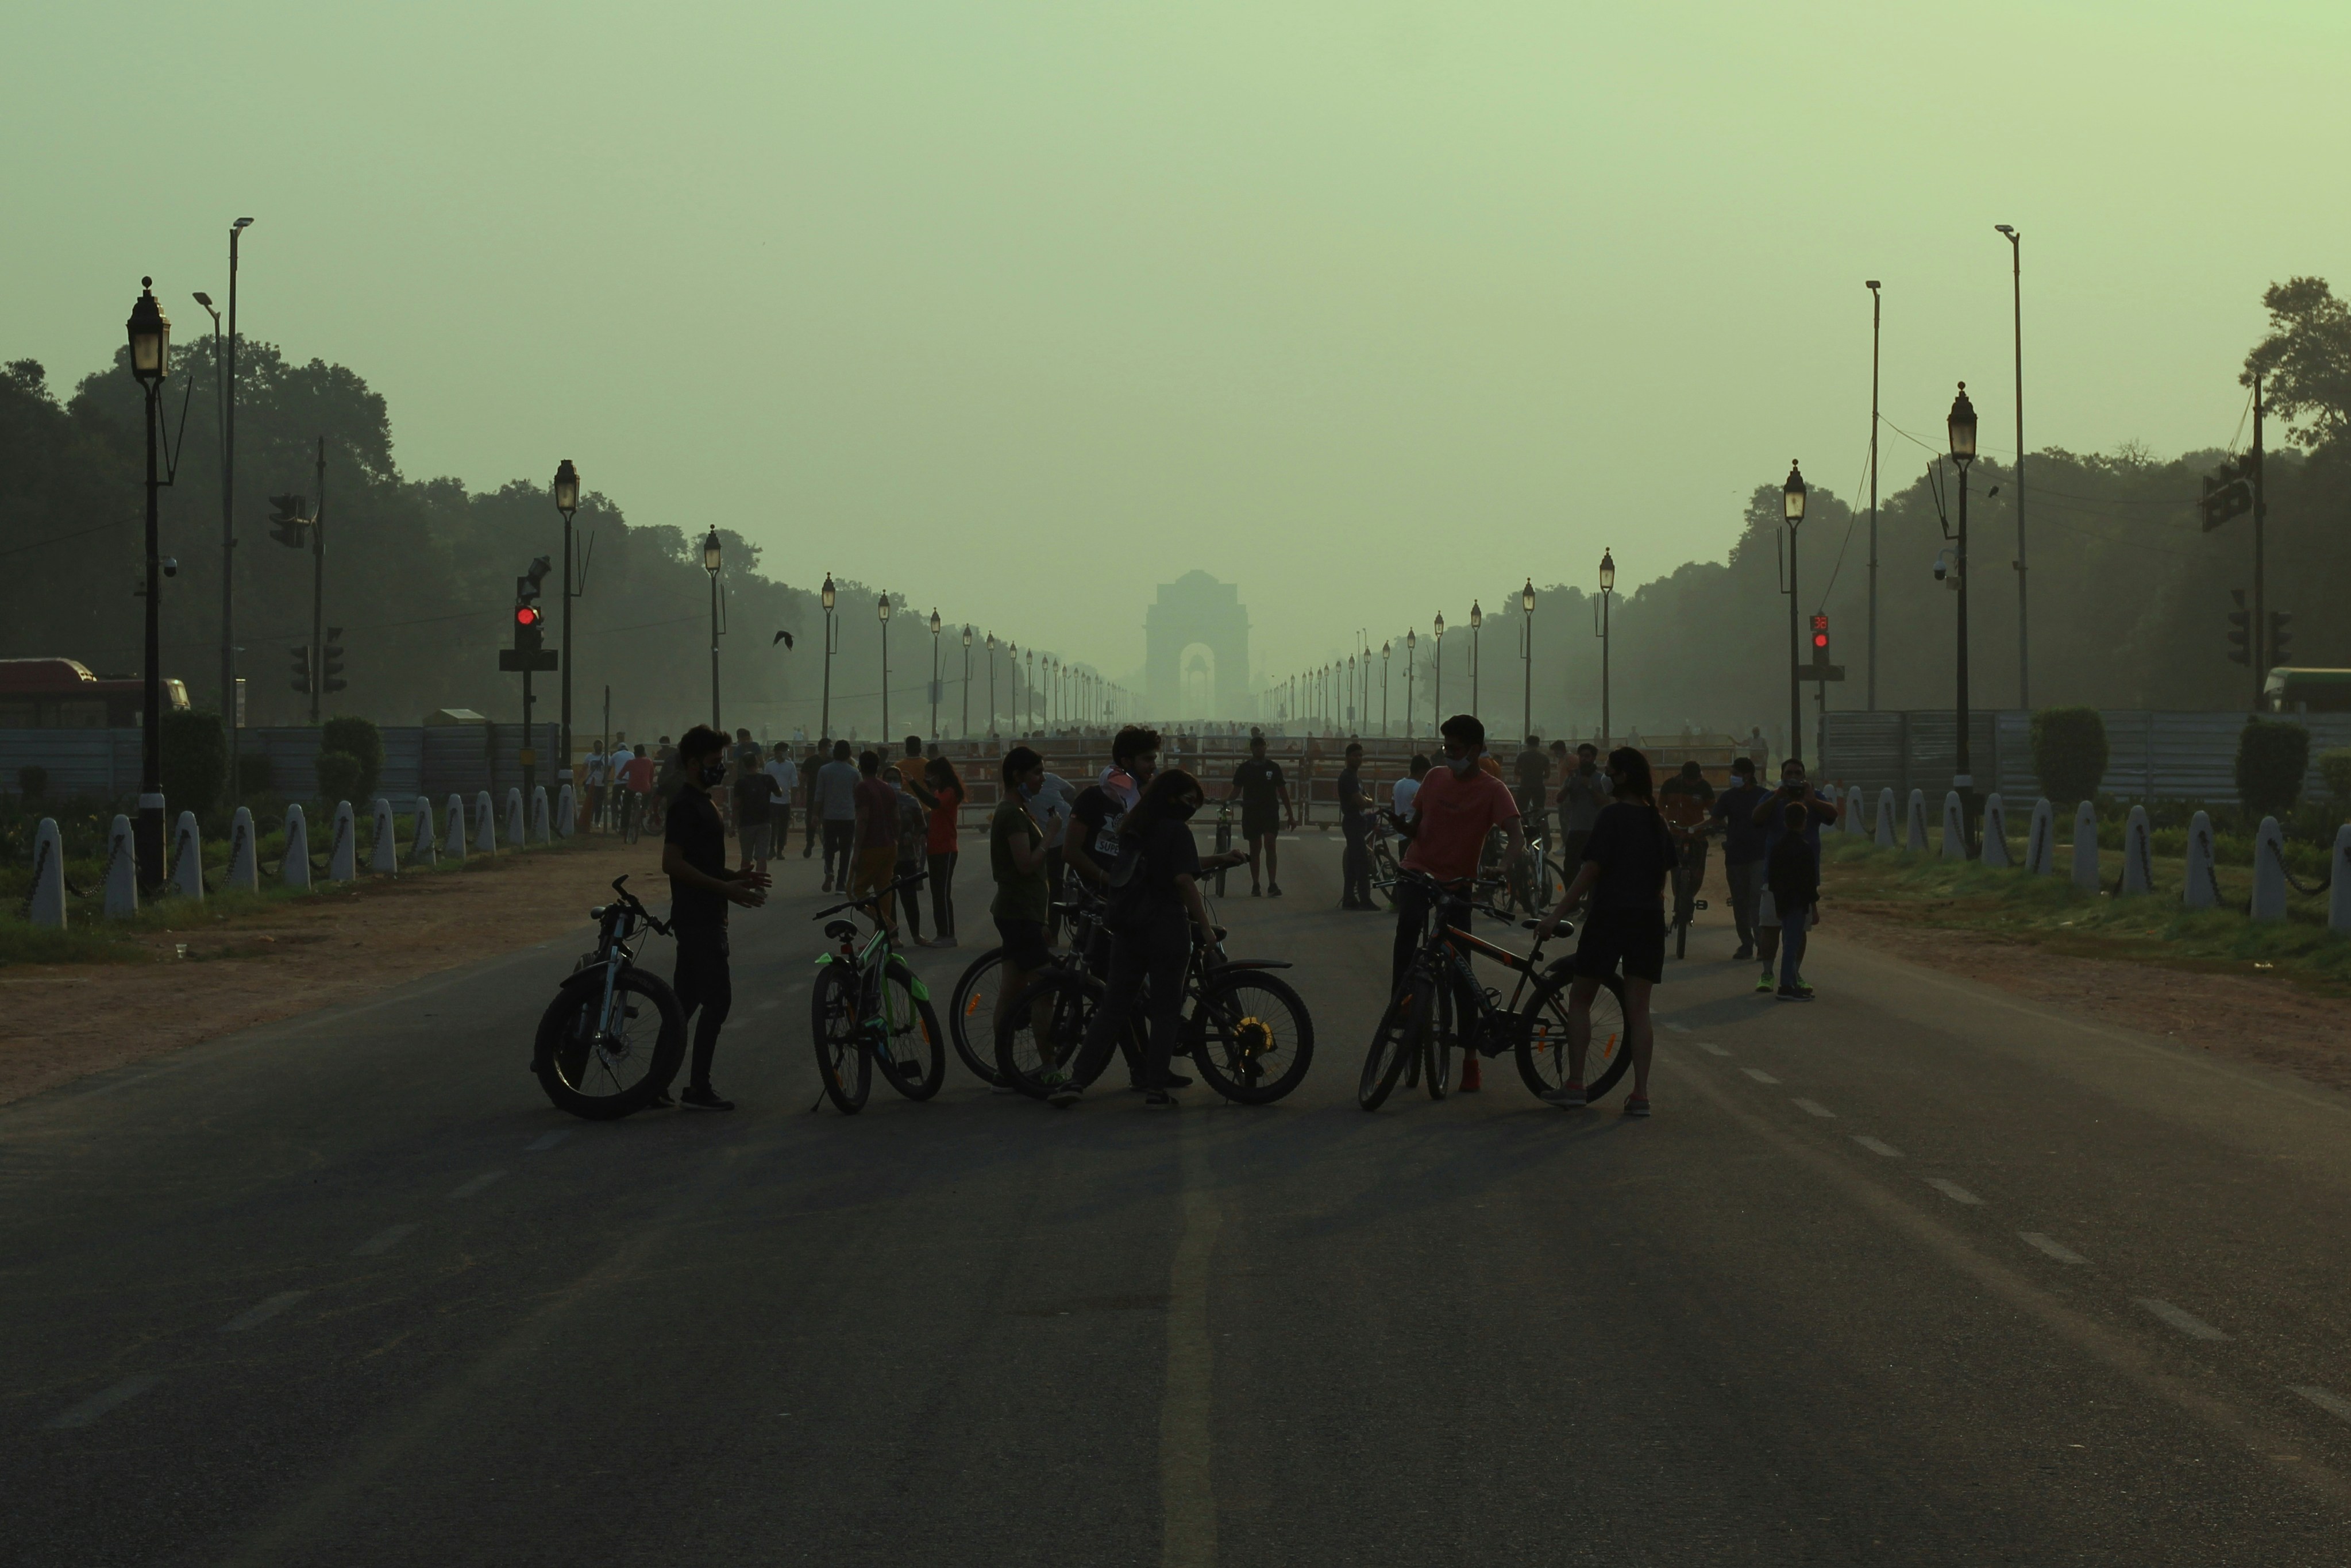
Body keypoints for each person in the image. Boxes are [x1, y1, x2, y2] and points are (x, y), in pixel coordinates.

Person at [1052, 769, 1235, 1110]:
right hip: (1167, 927)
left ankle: (1077, 1081)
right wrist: (1207, 929)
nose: (1192, 806)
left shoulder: (1133, 828)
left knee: (1113, 1008)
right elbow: (1183, 879)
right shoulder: (1176, 830)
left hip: (1128, 928)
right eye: (1189, 800)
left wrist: (1220, 860)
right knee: (1166, 1011)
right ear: (1172, 798)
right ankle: (1155, 1089)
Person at [1533, 746, 1675, 1117]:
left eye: (1610, 771)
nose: (1605, 776)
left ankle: (1577, 1083)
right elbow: (1665, 875)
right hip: (1648, 920)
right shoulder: (1656, 821)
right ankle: (1641, 1094)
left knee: (1580, 999)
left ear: (1623, 777)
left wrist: (1555, 915)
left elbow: (1589, 872)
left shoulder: (1611, 817)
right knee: (1639, 1009)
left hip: (1610, 916)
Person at [1390, 714, 1524, 1093]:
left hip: (1459, 883)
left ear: (1478, 750)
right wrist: (1402, 828)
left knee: (1461, 968)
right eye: (1446, 748)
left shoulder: (1494, 790)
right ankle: (1400, 1004)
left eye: (1457, 750)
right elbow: (1417, 825)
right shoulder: (1433, 778)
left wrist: (1502, 865)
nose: (1450, 756)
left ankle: (1469, 1057)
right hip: (1419, 871)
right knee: (1407, 930)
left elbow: (1516, 835)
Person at [660, 725, 769, 1112]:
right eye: (712, 762)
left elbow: (701, 864)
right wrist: (725, 889)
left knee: (683, 1004)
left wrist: (734, 877)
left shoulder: (704, 803)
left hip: (702, 913)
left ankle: (657, 1085)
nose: (719, 768)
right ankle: (698, 1086)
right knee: (717, 1001)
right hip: (699, 917)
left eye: (720, 762)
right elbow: (672, 863)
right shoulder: (686, 806)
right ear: (691, 764)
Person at [989, 746, 1058, 1081]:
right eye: (1036, 773)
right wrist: (1052, 837)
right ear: (1018, 776)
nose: (1041, 779)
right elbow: (1026, 864)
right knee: (1045, 992)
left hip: (1022, 911)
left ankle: (1005, 1071)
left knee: (1011, 991)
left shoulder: (1019, 809)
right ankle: (1049, 1068)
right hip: (1018, 912)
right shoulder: (1013, 815)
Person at [1749, 757, 1839, 997]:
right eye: (1789, 773)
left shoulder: (1814, 795)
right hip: (1775, 875)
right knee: (1770, 926)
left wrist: (1812, 801)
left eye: (1798, 773)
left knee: (1800, 929)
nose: (1794, 777)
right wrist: (1777, 797)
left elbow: (1833, 815)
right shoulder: (1773, 797)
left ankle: (1794, 973)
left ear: (1804, 776)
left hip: (1805, 875)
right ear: (1782, 775)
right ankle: (1767, 972)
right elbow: (1756, 818)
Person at [1710, 756, 1771, 959]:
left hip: (1758, 855)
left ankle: (1762, 944)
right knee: (1740, 902)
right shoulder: (1728, 797)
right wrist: (1694, 829)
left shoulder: (1764, 796)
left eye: (1736, 774)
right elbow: (1715, 819)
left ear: (1748, 775)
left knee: (1756, 900)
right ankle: (1746, 944)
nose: (1732, 778)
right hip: (1735, 856)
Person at [1226, 730, 1296, 897]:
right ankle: (1256, 884)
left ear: (1266, 748)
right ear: (1251, 749)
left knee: (1270, 845)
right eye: (1256, 746)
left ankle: (1272, 884)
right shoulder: (1244, 769)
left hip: (1270, 811)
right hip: (1251, 812)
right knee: (1255, 848)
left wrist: (1291, 814)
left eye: (1262, 746)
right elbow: (1236, 791)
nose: (1259, 749)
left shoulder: (1273, 768)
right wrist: (1226, 803)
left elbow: (1283, 791)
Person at [1766, 799, 1820, 1000]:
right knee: (1792, 944)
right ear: (1804, 822)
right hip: (1798, 901)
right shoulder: (1804, 848)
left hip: (1783, 900)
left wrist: (1779, 903)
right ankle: (1787, 986)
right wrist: (1813, 907)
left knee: (1789, 942)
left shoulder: (1778, 847)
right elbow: (1809, 881)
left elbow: (1773, 879)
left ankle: (1791, 983)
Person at [849, 750, 903, 937]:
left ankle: (886, 924)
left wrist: (856, 852)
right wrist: (895, 839)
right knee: (883, 891)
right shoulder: (887, 788)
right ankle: (880, 937)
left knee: (855, 892)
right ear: (878, 766)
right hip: (890, 845)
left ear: (860, 767)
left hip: (871, 846)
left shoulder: (863, 788)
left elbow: (863, 820)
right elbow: (897, 818)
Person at [1658, 758, 1715, 929]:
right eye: (1689, 780)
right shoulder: (1670, 785)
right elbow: (1660, 807)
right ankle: (1675, 901)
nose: (1692, 783)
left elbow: (1714, 813)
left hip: (1696, 836)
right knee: (1673, 870)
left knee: (1697, 873)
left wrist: (1713, 826)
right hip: (1673, 834)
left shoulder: (1704, 787)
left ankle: (1689, 898)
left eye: (1695, 780)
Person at [923, 754, 965, 947]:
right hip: (934, 848)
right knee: (936, 893)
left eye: (932, 776)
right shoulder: (939, 791)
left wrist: (915, 785)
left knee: (942, 893)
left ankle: (949, 934)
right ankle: (942, 933)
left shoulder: (950, 792)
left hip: (947, 848)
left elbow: (935, 805)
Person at [889, 766, 931, 945]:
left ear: (901, 781)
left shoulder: (911, 802)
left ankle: (916, 935)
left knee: (910, 899)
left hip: (907, 856)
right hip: (887, 857)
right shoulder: (880, 802)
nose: (892, 782)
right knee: (889, 900)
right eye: (888, 779)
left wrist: (913, 837)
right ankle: (893, 937)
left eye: (895, 779)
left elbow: (922, 826)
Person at [1556, 743, 1612, 874]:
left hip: (1594, 830)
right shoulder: (1573, 777)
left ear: (1593, 758)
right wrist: (1568, 786)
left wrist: (1589, 787)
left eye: (1587, 756)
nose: (1584, 759)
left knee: (1594, 868)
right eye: (1581, 756)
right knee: (1570, 868)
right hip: (1575, 829)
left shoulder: (1600, 779)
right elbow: (1559, 799)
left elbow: (1604, 801)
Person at [815, 739, 861, 891]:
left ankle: (829, 871)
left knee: (829, 847)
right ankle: (841, 883)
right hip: (848, 816)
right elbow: (859, 796)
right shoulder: (854, 772)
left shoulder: (824, 770)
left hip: (829, 816)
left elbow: (819, 795)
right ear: (849, 754)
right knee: (846, 851)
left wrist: (815, 814)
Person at [1336, 741, 1376, 910]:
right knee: (1362, 863)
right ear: (1347, 758)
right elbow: (1362, 801)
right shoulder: (1348, 777)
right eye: (1355, 756)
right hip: (1352, 822)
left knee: (1353, 864)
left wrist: (1366, 801)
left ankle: (1349, 899)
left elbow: (1368, 800)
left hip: (1358, 822)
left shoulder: (1356, 778)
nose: (1358, 759)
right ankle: (1365, 900)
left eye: (1360, 756)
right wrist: (1366, 801)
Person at [734, 738, 781, 873]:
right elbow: (778, 793)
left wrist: (732, 825)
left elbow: (737, 805)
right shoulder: (767, 779)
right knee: (762, 856)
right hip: (764, 822)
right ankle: (760, 886)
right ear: (757, 762)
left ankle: (746, 884)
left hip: (746, 823)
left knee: (746, 857)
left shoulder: (741, 783)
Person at [764, 742, 799, 870]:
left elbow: (794, 782)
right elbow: (765, 782)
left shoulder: (790, 766)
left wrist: (794, 798)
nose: (786, 753)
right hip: (772, 801)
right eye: (784, 751)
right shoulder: (769, 766)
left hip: (785, 801)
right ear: (777, 752)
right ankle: (771, 849)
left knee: (783, 827)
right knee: (772, 826)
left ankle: (780, 850)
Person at [1512, 734, 1550, 831]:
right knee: (1540, 809)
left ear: (1527, 744)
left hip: (1525, 786)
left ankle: (1522, 830)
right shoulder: (1544, 757)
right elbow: (1547, 774)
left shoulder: (1522, 756)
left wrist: (1524, 774)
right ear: (1538, 744)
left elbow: (1516, 771)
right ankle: (1541, 830)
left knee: (1521, 810)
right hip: (1539, 786)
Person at [581, 745, 605, 835]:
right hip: (590, 782)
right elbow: (584, 768)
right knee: (591, 802)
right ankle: (590, 821)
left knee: (599, 803)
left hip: (601, 783)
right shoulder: (589, 756)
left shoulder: (606, 757)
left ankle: (597, 822)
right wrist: (580, 779)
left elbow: (608, 769)